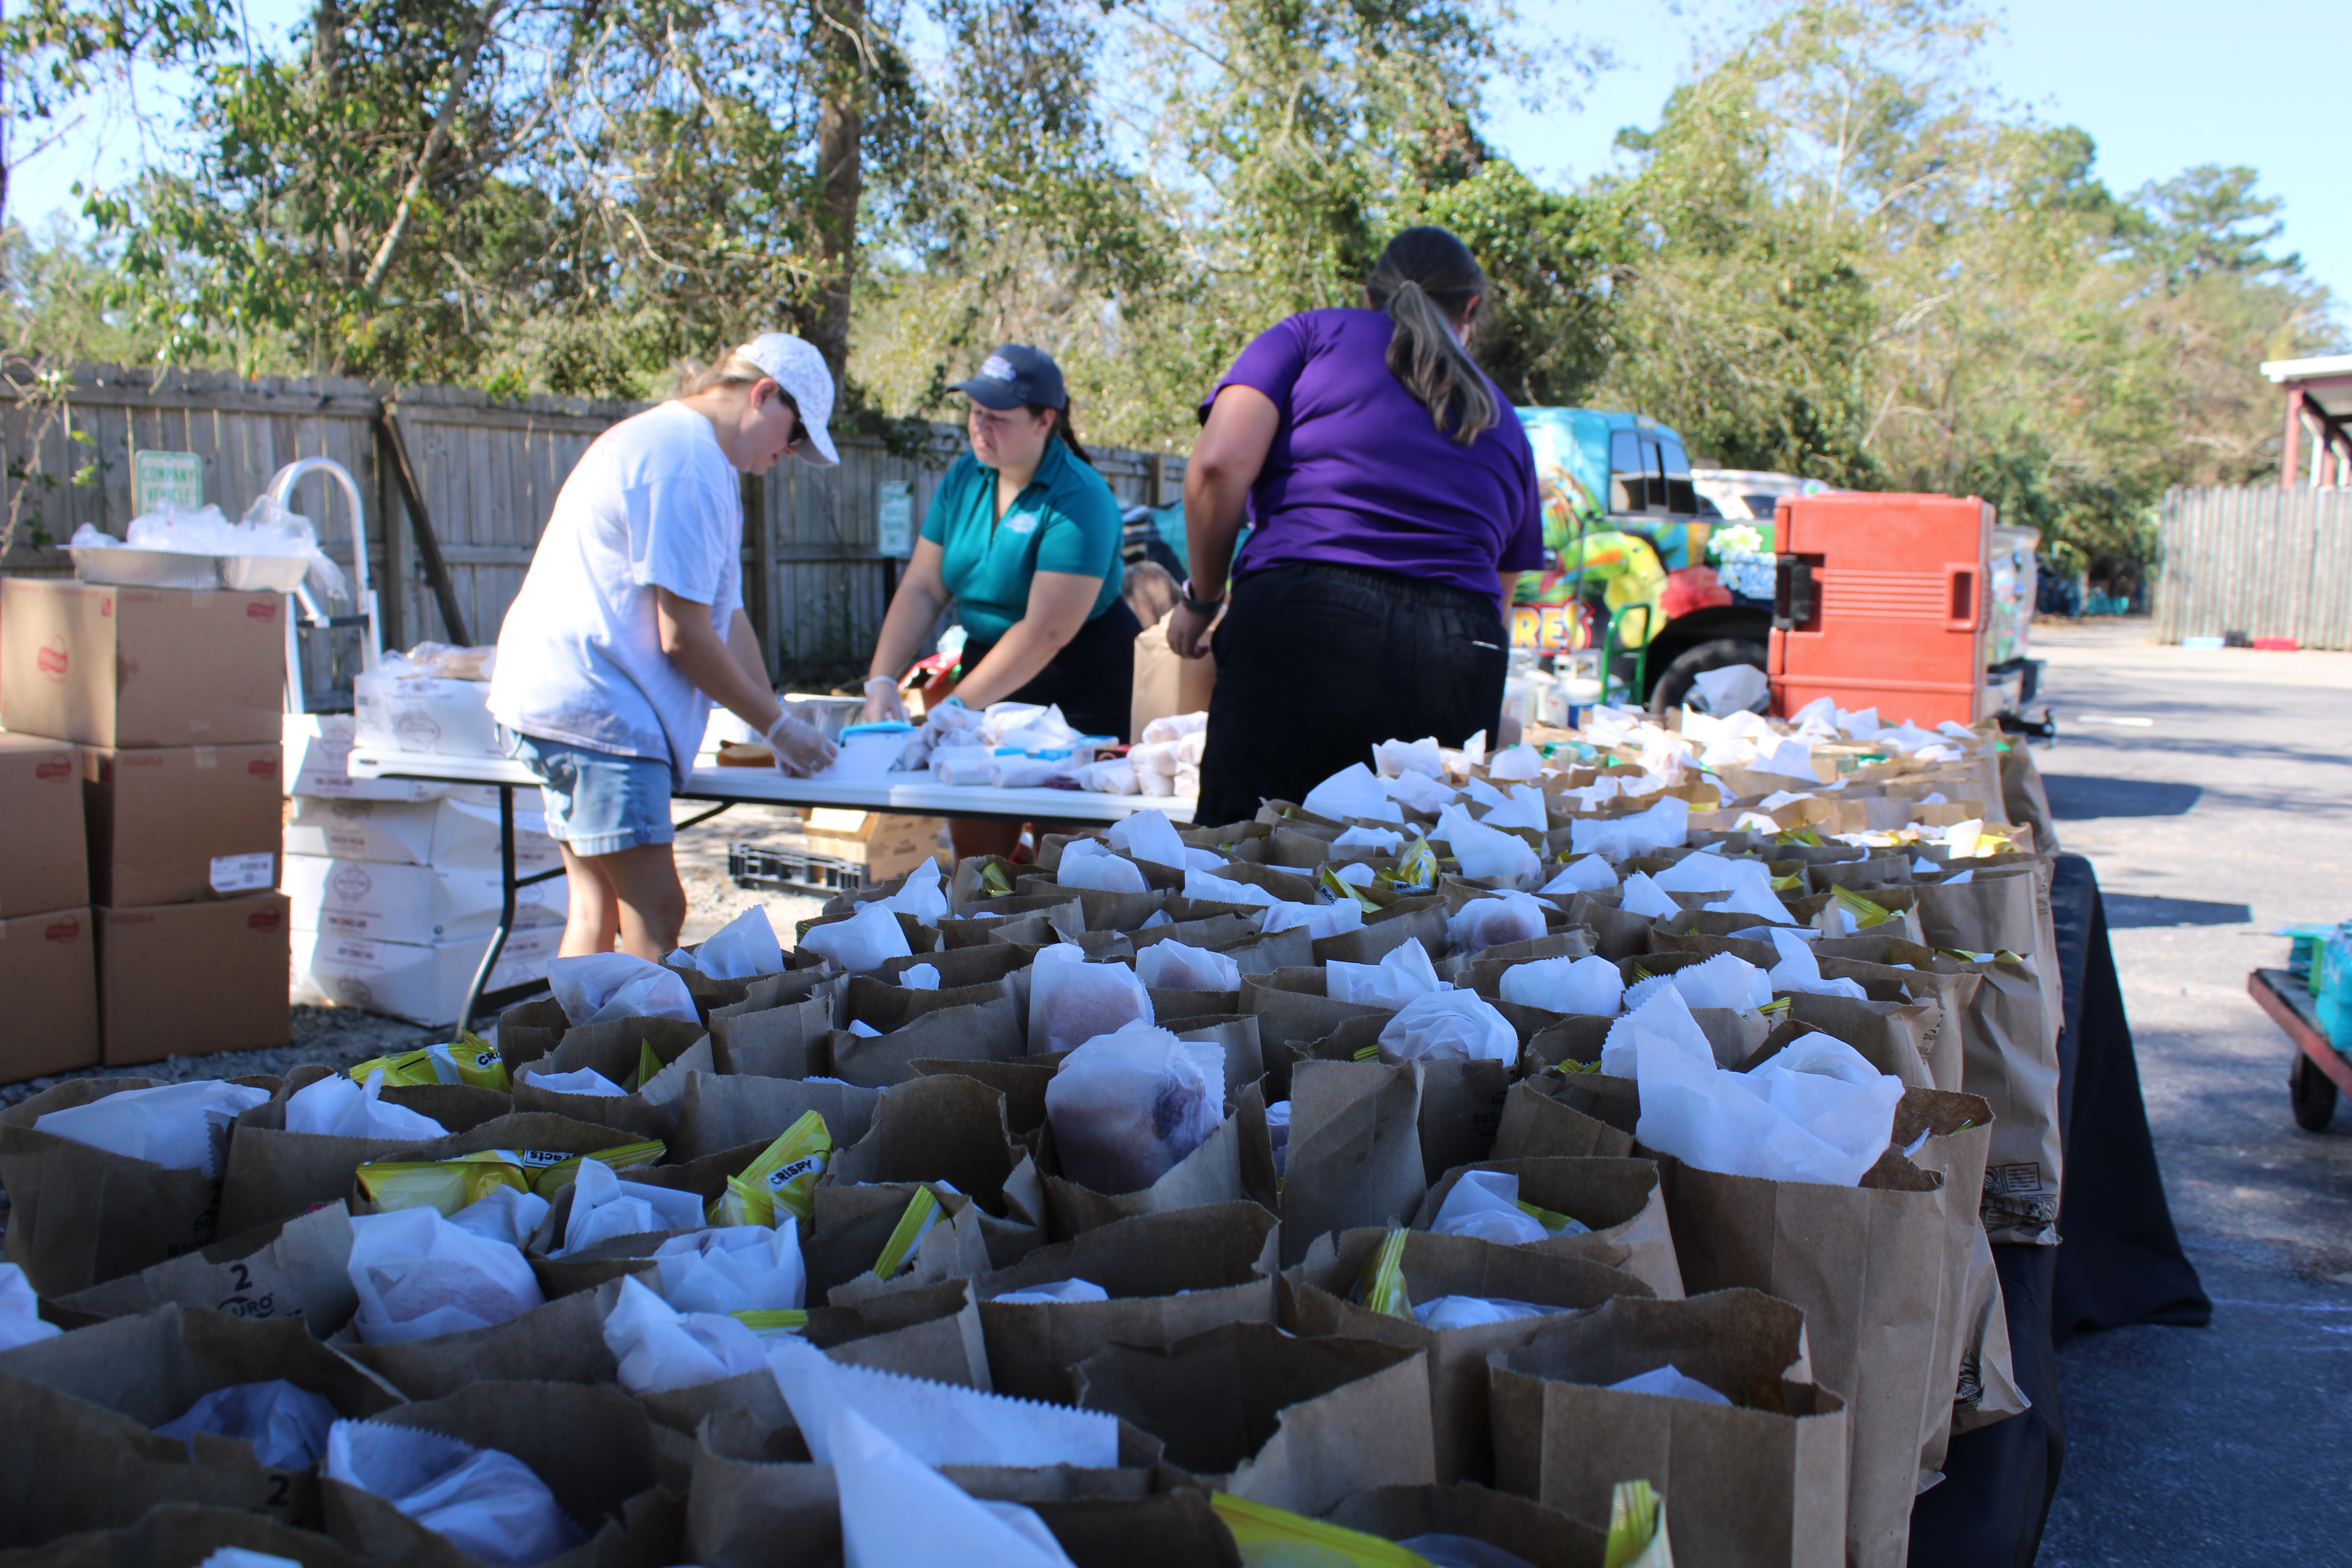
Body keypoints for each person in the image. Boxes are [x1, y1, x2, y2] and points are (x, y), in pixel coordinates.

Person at [1170, 227, 1544, 826]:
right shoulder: (1504, 419)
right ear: (1470, 309)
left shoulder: (1309, 337)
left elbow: (1216, 467)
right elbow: (1496, 602)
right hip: (1459, 647)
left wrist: (1203, 598)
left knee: (1247, 863)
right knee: (1411, 881)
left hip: (1305, 614)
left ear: (1370, 294)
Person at [490, 334, 843, 960]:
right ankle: (625, 1058)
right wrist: (779, 728)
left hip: (568, 703)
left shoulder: (692, 454)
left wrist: (775, 721)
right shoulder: (686, 462)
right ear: (763, 394)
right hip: (596, 712)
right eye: (794, 436)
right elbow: (682, 637)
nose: (789, 453)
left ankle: (572, 1058)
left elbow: (726, 616)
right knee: (656, 911)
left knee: (597, 910)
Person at [860, 344, 1135, 858]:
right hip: (990, 661)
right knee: (979, 857)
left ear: (1043, 421)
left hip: (1084, 677)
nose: (980, 428)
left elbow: (1044, 631)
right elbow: (923, 586)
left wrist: (954, 711)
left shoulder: (1080, 497)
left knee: (1070, 858)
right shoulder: (965, 478)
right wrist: (881, 678)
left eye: (998, 418)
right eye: (975, 413)